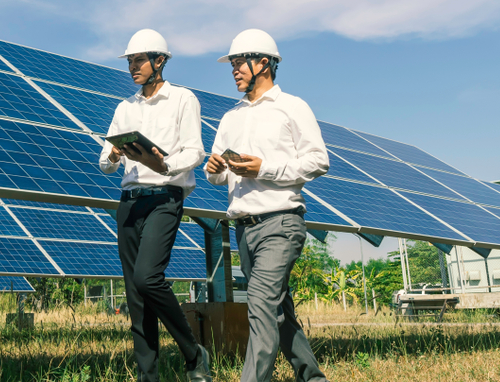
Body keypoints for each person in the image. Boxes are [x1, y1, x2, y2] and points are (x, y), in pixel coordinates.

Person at [205, 29, 329, 382]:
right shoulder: (230, 117)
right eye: (231, 64)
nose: (233, 70)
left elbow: (319, 160)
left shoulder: (293, 107)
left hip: (281, 223)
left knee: (260, 305)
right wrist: (215, 170)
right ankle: (313, 378)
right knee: (277, 312)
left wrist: (266, 168)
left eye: (238, 62)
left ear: (264, 63)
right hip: (244, 228)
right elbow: (219, 177)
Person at [99, 29, 212, 382]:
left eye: (138, 60)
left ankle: (194, 352)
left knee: (148, 279)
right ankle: (148, 375)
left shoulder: (182, 99)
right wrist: (114, 153)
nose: (132, 66)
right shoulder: (124, 107)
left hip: (165, 196)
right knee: (135, 296)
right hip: (129, 203)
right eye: (130, 61)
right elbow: (104, 163)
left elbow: (195, 151)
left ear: (159, 61)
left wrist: (165, 164)